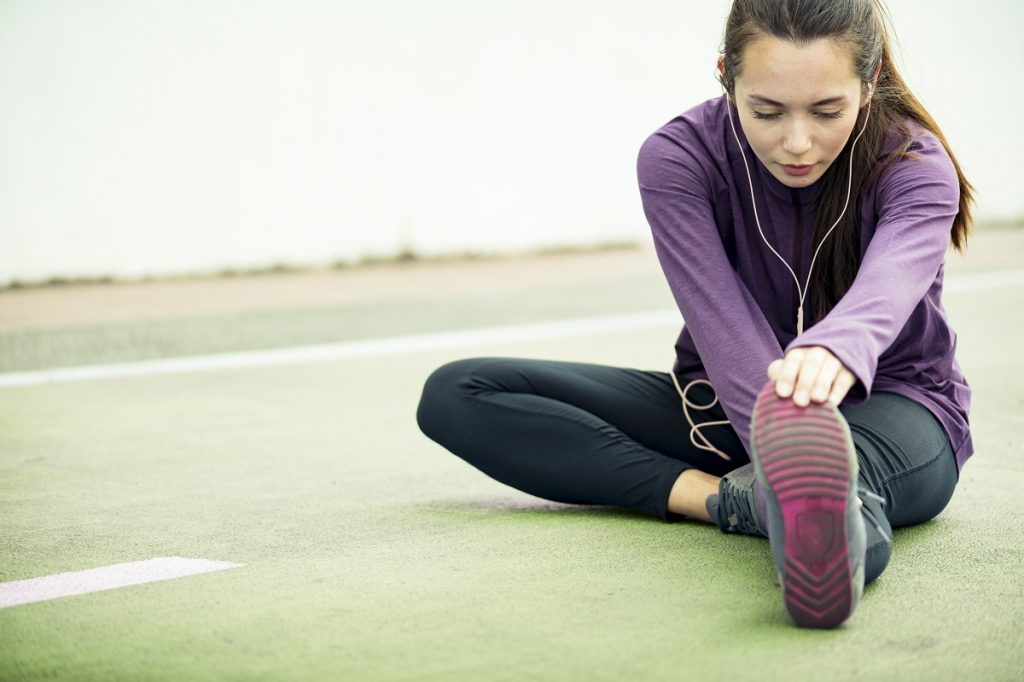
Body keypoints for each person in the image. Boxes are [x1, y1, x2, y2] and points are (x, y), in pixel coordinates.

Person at [416, 0, 973, 629]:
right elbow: (719, 322)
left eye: (827, 111)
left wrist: (835, 350)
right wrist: (777, 427)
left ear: (869, 85)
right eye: (766, 111)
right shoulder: (678, 159)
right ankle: (723, 501)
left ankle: (814, 516)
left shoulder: (915, 166)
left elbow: (887, 287)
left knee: (825, 491)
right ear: (724, 76)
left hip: (896, 409)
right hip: (727, 411)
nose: (796, 142)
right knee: (458, 392)